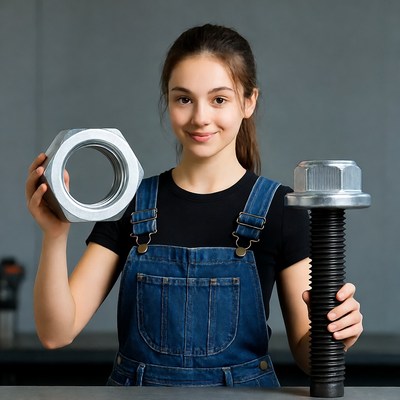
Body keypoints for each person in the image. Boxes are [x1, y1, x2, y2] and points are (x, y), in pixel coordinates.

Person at [25, 24, 363, 387]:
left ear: (249, 101)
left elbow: (308, 356)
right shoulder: (131, 202)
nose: (200, 117)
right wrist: (55, 234)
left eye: (219, 99)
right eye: (183, 99)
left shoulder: (281, 208)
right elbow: (56, 333)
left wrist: (337, 334)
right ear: (167, 101)